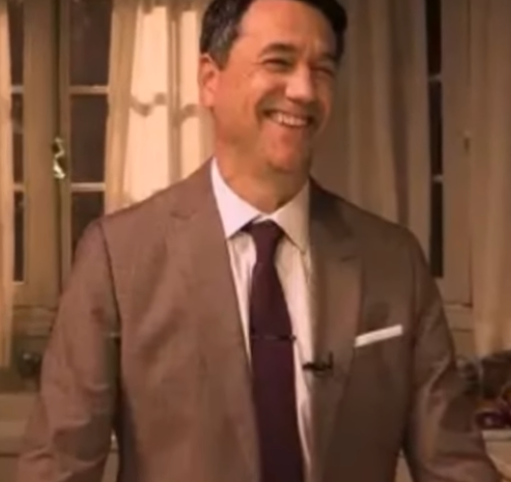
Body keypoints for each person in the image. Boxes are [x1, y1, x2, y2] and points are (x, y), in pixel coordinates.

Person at [17, 0, 501, 481]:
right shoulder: (117, 258)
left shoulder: (395, 262)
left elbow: (455, 466)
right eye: (279, 62)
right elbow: (58, 469)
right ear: (210, 79)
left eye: (322, 70)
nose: (305, 90)